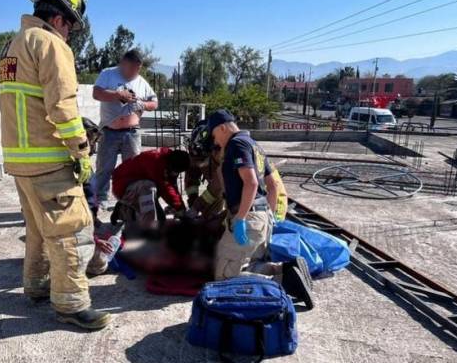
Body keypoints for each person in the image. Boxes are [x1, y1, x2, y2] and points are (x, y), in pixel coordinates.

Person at [0, 0, 111, 330]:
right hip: (48, 161)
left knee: (38, 230)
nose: (70, 35)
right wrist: (81, 152)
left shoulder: (12, 47)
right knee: (72, 232)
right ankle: (71, 305)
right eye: (71, 27)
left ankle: (36, 286)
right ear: (59, 18)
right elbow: (62, 106)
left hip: (21, 161)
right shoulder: (50, 44)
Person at [208, 110, 313, 308]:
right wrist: (270, 218)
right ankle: (285, 269)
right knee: (250, 264)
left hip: (248, 217)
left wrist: (240, 218)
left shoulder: (236, 144)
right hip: (262, 216)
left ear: (222, 128)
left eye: (214, 136)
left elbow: (251, 183)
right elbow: (272, 185)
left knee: (224, 276)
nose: (215, 142)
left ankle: (284, 283)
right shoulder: (255, 145)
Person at [92, 50, 159, 209]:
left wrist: (143, 104)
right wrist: (117, 94)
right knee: (104, 168)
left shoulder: (141, 81)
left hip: (132, 132)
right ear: (123, 63)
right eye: (131, 69)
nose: (134, 73)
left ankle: (129, 200)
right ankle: (100, 199)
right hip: (109, 131)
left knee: (132, 169)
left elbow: (154, 102)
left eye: (137, 70)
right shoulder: (108, 74)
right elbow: (96, 93)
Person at [111, 148, 190, 228]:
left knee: (152, 199)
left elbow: (172, 188)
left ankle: (124, 211)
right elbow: (165, 189)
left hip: (135, 187)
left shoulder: (169, 162)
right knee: (149, 187)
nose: (176, 173)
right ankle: (149, 228)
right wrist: (178, 209)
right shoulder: (155, 161)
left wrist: (181, 208)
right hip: (122, 186)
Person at [184, 120, 225, 219]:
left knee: (216, 221)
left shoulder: (224, 154)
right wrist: (192, 201)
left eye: (201, 158)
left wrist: (197, 206)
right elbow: (191, 179)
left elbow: (217, 186)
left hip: (242, 200)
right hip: (216, 183)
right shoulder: (196, 150)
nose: (197, 162)